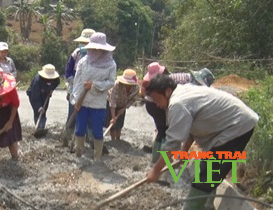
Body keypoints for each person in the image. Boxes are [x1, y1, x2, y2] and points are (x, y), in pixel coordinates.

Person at [145, 74, 258, 210]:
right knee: (210, 172)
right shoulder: (182, 92)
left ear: (167, 91)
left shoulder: (177, 104)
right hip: (231, 127)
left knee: (206, 176)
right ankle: (207, 206)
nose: (157, 105)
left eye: (157, 100)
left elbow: (172, 143)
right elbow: (189, 131)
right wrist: (183, 153)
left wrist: (156, 170)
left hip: (236, 127)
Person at [140, 62, 216, 164]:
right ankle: (163, 162)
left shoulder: (179, 80)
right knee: (168, 132)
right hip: (156, 103)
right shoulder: (189, 87)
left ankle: (157, 160)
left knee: (162, 131)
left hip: (152, 103)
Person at [70, 32, 116, 161]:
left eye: (98, 48)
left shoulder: (110, 64)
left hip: (98, 102)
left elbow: (111, 82)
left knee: (97, 131)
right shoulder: (84, 62)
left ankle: (97, 157)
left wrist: (95, 85)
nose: (95, 50)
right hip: (83, 101)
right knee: (80, 129)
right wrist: (76, 100)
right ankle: (79, 153)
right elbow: (77, 82)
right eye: (93, 48)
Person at [62, 28, 97, 150]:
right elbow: (68, 73)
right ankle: (66, 138)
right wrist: (75, 86)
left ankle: (91, 140)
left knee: (90, 117)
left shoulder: (98, 57)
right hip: (75, 90)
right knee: (72, 114)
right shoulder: (76, 53)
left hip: (91, 91)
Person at [104, 69, 140, 141]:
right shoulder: (117, 85)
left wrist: (124, 108)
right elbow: (112, 101)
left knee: (119, 123)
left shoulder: (136, 88)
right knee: (112, 123)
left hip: (123, 105)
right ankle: (113, 140)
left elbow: (133, 99)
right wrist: (113, 117)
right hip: (111, 104)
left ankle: (118, 139)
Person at [26, 64, 60, 130]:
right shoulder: (37, 80)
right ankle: (38, 127)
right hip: (34, 95)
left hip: (46, 94)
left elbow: (56, 83)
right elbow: (34, 96)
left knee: (44, 110)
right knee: (38, 111)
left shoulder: (55, 78)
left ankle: (42, 127)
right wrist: (39, 107)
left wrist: (51, 90)